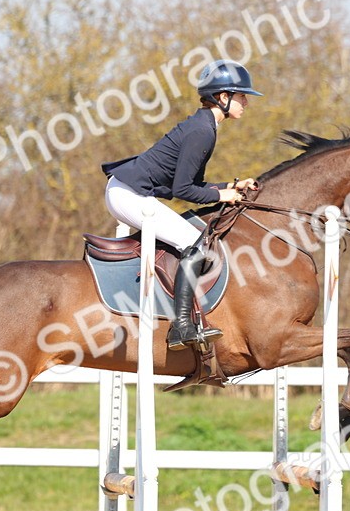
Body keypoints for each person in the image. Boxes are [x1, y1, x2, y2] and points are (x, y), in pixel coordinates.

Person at [100, 59, 261, 351]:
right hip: (128, 194)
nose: (246, 102)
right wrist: (222, 197)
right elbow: (183, 189)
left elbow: (193, 183)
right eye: (241, 96)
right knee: (195, 243)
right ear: (223, 97)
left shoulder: (204, 125)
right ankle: (182, 326)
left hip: (128, 191)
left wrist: (228, 187)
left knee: (190, 238)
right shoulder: (203, 130)